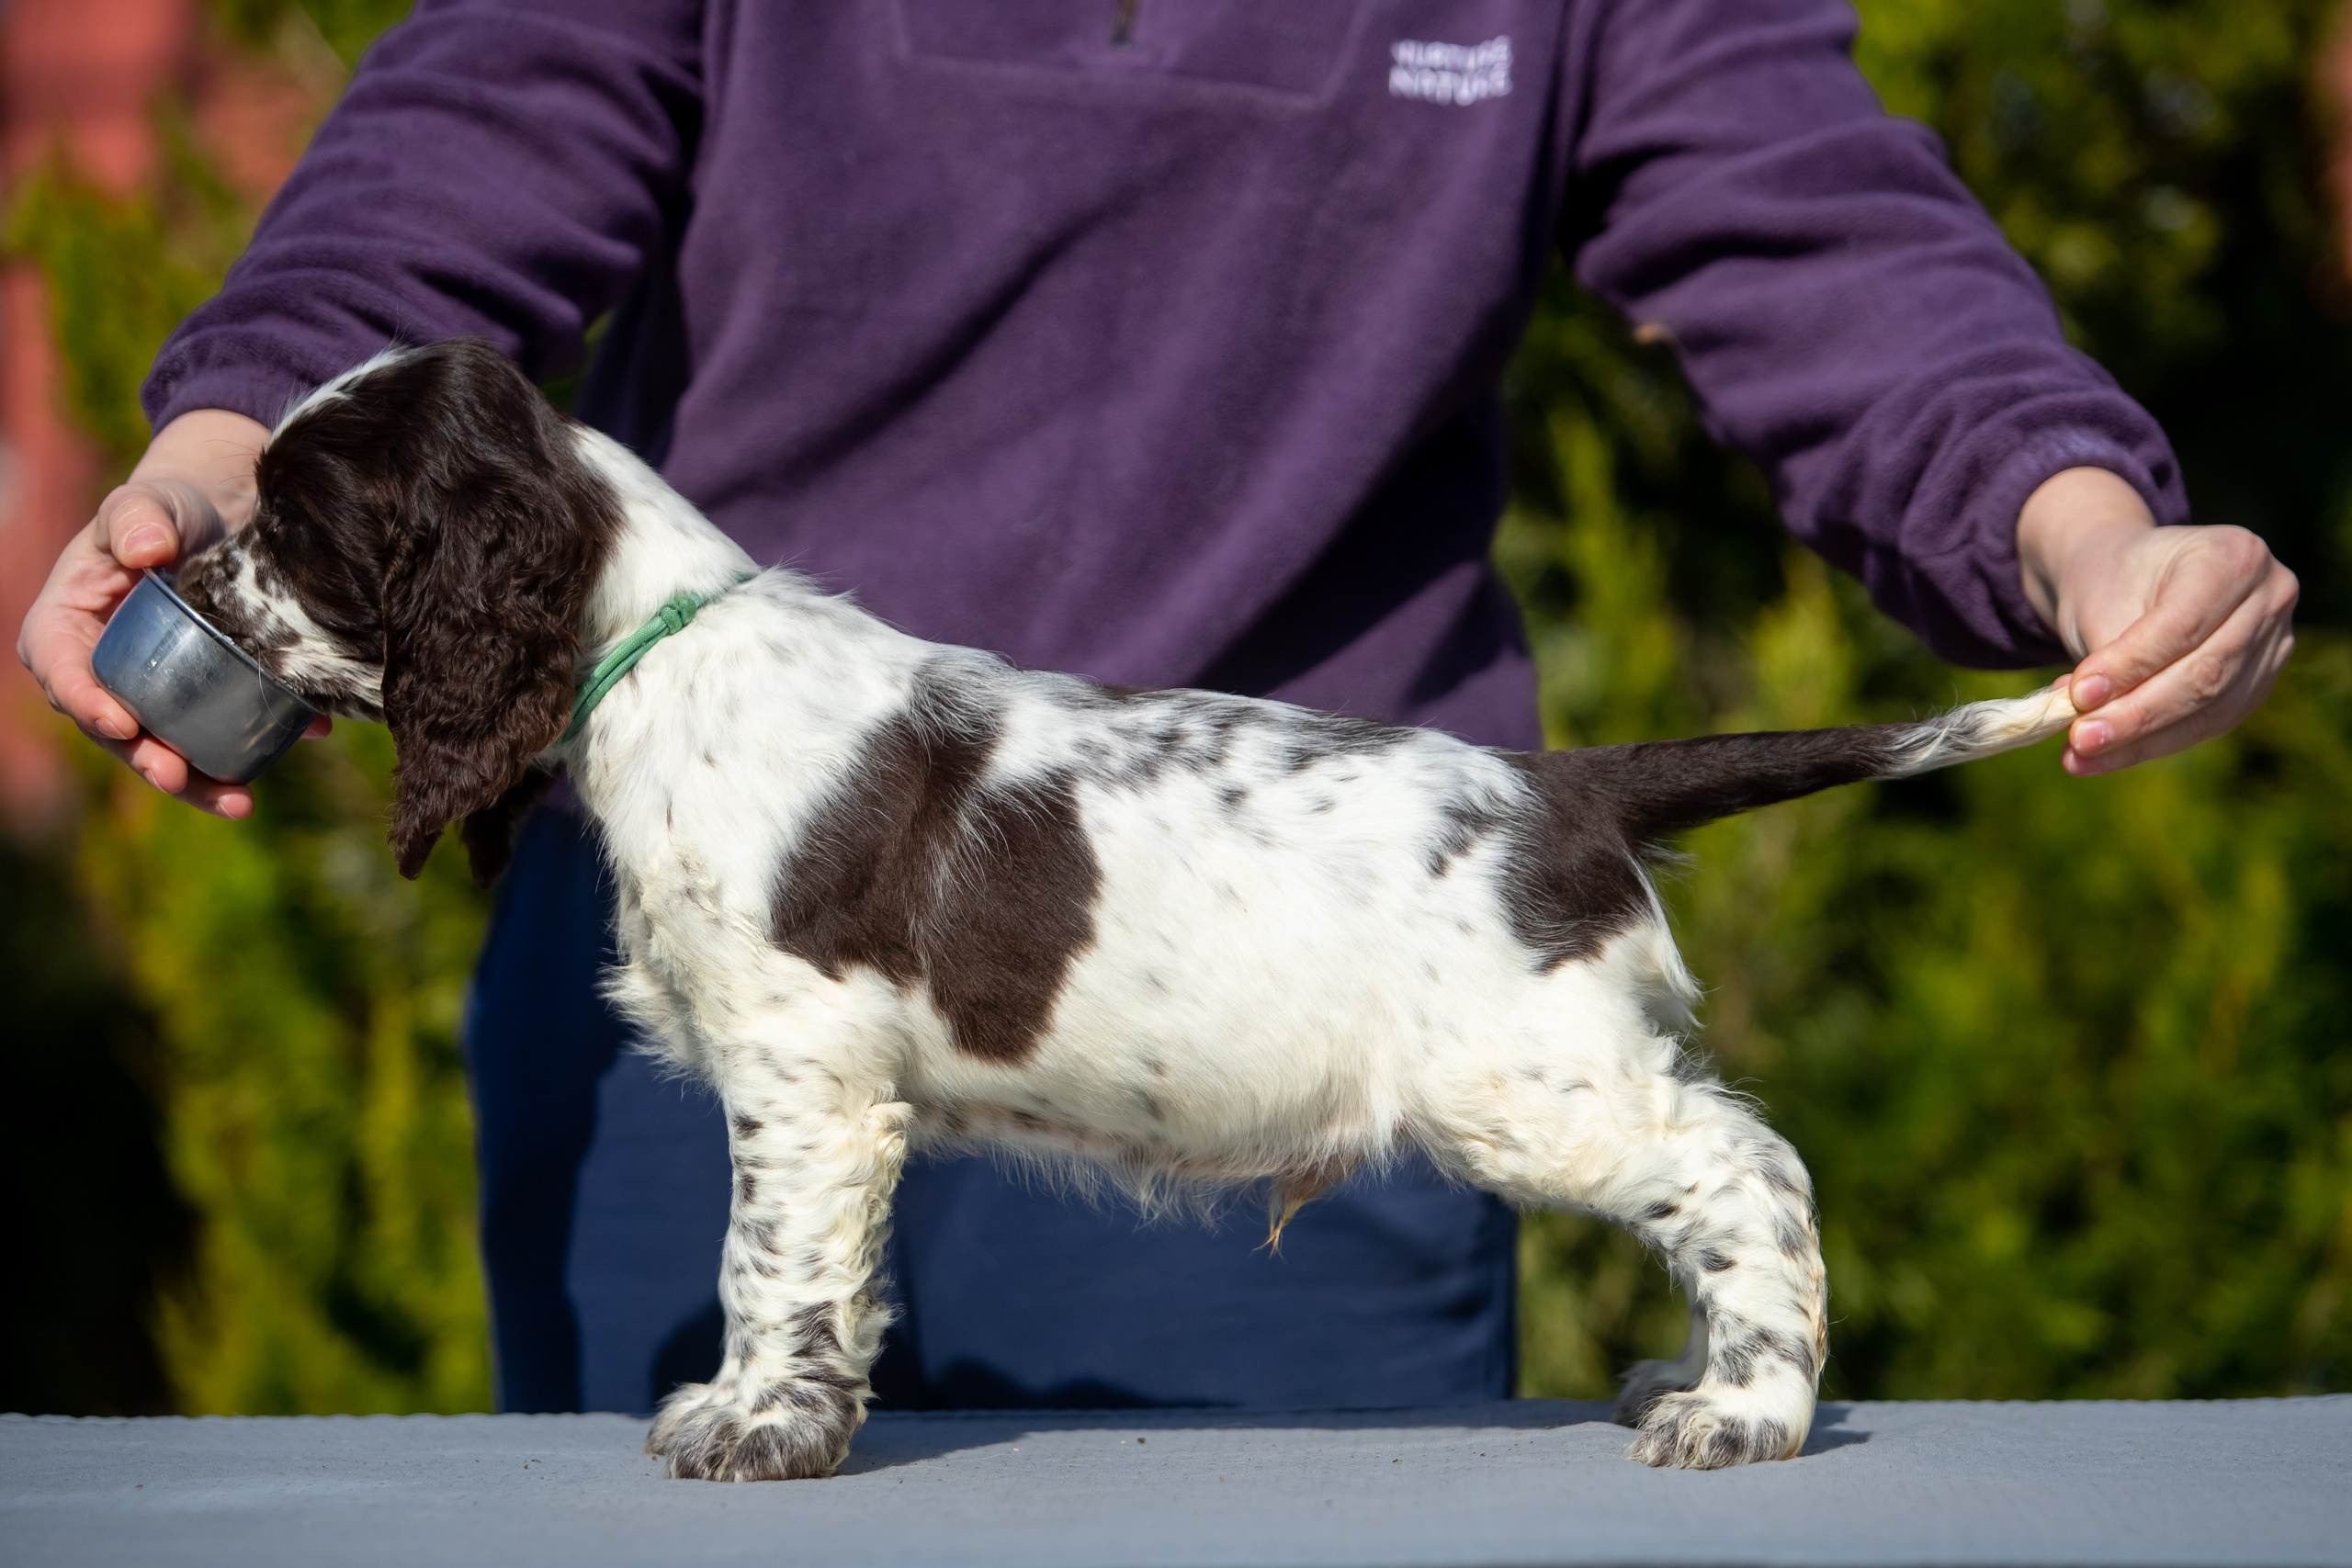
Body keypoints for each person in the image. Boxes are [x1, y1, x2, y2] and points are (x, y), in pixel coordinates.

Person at [18, 0, 2297, 1416]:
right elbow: (463, 142)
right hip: (697, 965)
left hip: (1301, 973)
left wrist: (2077, 523)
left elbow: (1819, 236)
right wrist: (223, 465)